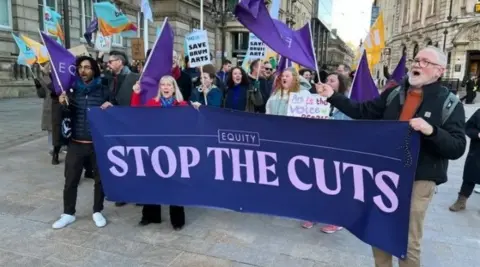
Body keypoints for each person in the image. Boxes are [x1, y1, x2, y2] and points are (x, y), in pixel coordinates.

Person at [316, 46, 466, 267]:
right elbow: (363, 112)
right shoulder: (395, 93)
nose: (417, 64)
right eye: (416, 60)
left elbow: (457, 147)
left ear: (439, 71)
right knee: (380, 231)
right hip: (384, 174)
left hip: (419, 177)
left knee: (407, 240)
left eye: (425, 62)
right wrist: (333, 97)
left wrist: (431, 131)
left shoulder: (449, 103)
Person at [52, 56, 114, 229]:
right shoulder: (71, 90)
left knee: (99, 179)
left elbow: (114, 110)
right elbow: (65, 115)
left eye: (87, 67)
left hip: (97, 143)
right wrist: (63, 103)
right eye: (80, 67)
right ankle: (68, 213)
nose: (83, 71)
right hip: (76, 143)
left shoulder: (103, 90)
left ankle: (97, 211)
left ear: (94, 70)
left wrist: (111, 105)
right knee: (70, 179)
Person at [130, 75, 186, 230]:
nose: (166, 87)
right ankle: (150, 216)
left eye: (169, 84)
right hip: (154, 148)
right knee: (151, 182)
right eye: (163, 84)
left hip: (174, 150)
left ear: (174, 88)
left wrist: (197, 108)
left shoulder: (182, 105)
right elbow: (136, 115)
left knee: (174, 184)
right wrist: (136, 94)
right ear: (160, 88)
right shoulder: (152, 103)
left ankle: (177, 220)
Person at [302, 73, 351, 232]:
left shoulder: (347, 104)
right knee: (317, 182)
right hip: (319, 146)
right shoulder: (318, 101)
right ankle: (315, 214)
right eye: (327, 80)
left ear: (340, 85)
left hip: (338, 149)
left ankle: (337, 219)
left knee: (335, 184)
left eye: (332, 81)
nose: (327, 83)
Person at [449, 108, 480, 211]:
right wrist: (477, 134)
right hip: (477, 153)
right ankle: (461, 201)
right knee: (470, 176)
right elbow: (468, 127)